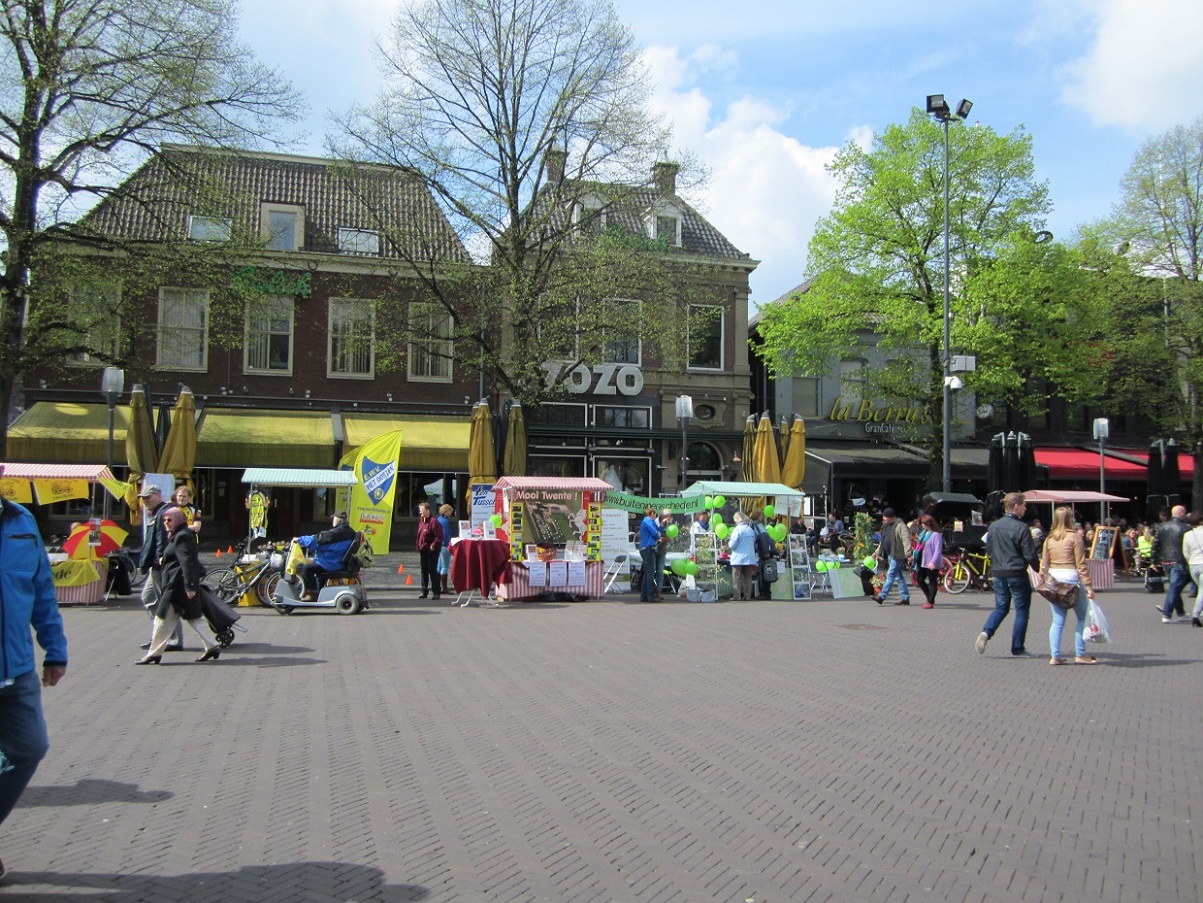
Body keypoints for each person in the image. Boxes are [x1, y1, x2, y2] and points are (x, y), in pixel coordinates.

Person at [0, 495, 67, 879]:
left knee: (30, 747)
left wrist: (55, 651)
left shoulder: (22, 520)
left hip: (18, 668)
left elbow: (42, 591)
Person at [137, 507, 220, 664]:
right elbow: (178, 558)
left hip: (177, 586)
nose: (166, 523)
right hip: (179, 585)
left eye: (169, 520)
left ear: (178, 520)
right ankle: (212, 646)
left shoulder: (182, 536)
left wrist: (189, 586)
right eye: (164, 520)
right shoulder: (179, 535)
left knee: (161, 619)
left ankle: (154, 653)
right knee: (194, 617)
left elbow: (187, 562)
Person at [976, 492, 1041, 656]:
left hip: (998, 572)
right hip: (1016, 572)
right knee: (1022, 611)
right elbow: (1030, 554)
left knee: (1001, 607)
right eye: (1024, 505)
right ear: (1016, 506)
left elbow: (989, 550)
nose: (1025, 509)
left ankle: (986, 632)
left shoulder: (993, 526)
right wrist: (1039, 569)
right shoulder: (1022, 527)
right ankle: (1017, 647)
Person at [1039, 505, 1097, 665]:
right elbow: (1081, 564)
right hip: (1072, 579)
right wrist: (1089, 586)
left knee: (1057, 621)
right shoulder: (1075, 537)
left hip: (1055, 580)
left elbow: (1044, 563)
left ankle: (1055, 655)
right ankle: (1080, 653)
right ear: (1070, 519)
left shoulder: (1049, 539)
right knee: (1082, 617)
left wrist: (1043, 578)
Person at [136, 486, 183, 652]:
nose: (145, 501)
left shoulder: (164, 513)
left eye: (148, 497)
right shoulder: (158, 513)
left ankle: (172, 639)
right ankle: (162, 635)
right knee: (149, 598)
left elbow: (162, 541)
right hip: (155, 564)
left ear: (158, 496)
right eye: (143, 498)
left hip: (161, 565)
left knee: (165, 603)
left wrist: (160, 561)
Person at [296, 511, 358, 601]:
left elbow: (316, 540)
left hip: (332, 563)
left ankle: (313, 594)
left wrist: (299, 540)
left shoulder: (335, 533)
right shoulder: (350, 532)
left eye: (333, 519)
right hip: (338, 560)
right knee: (314, 563)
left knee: (306, 568)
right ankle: (319, 592)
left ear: (337, 520)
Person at [1154, 505, 1190, 621]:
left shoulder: (1162, 527)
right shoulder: (1186, 528)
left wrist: (1154, 560)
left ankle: (1180, 612)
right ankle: (1167, 613)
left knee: (1174, 586)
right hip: (1179, 560)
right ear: (1182, 513)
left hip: (1165, 560)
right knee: (1175, 587)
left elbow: (1155, 544)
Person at [872, 508, 912, 605]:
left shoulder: (900, 526)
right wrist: (877, 552)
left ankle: (882, 596)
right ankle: (905, 597)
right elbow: (883, 541)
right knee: (898, 576)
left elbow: (906, 540)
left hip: (897, 555)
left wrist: (908, 554)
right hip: (890, 554)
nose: (884, 519)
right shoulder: (886, 526)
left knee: (890, 574)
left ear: (891, 517)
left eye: (885, 517)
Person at [914, 514, 944, 609]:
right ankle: (929, 597)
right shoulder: (924, 533)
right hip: (922, 560)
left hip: (931, 561)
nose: (922, 525)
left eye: (923, 523)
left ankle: (930, 601)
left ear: (928, 524)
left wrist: (933, 562)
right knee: (919, 579)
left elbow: (938, 550)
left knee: (932, 581)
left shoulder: (936, 535)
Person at [415, 502, 444, 600]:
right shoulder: (422, 521)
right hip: (423, 549)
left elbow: (439, 536)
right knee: (424, 571)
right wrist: (418, 546)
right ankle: (424, 591)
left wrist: (433, 546)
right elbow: (420, 535)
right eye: (420, 510)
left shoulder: (434, 521)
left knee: (432, 570)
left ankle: (436, 592)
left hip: (431, 551)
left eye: (422, 510)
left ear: (428, 510)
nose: (420, 512)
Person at [726, 511, 757, 600]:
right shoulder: (751, 530)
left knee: (736, 577)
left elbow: (733, 545)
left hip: (738, 557)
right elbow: (753, 543)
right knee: (748, 578)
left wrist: (729, 543)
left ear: (736, 520)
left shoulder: (737, 530)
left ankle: (737, 596)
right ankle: (747, 596)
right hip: (750, 557)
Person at [637, 505, 662, 603]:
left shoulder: (644, 521)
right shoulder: (649, 521)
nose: (655, 516)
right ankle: (651, 596)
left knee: (647, 573)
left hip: (644, 547)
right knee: (650, 573)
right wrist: (659, 536)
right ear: (652, 513)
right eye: (655, 514)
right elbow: (655, 533)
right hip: (648, 548)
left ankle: (644, 596)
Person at [1184, 513, 1203, 627]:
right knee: (1202, 591)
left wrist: (1190, 560)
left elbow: (1186, 552)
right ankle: (1195, 615)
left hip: (1193, 565)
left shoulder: (1187, 535)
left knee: (1201, 590)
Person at [653, 508, 673, 600]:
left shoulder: (668, 524)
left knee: (660, 571)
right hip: (653, 549)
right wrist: (663, 537)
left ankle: (659, 591)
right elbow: (654, 534)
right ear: (662, 516)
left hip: (662, 550)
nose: (669, 518)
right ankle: (651, 591)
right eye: (668, 516)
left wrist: (669, 538)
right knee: (651, 571)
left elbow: (671, 535)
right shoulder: (654, 522)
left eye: (670, 516)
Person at [437, 504, 456, 594]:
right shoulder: (444, 521)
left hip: (439, 545)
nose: (450, 514)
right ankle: (444, 588)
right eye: (450, 512)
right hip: (445, 545)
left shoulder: (438, 519)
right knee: (445, 566)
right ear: (446, 511)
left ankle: (438, 586)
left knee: (439, 566)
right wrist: (449, 544)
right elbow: (446, 534)